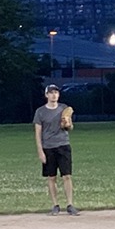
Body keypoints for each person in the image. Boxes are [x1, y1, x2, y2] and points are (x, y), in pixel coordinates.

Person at [33, 84, 78, 216]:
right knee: (51, 177)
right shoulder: (40, 112)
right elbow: (38, 133)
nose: (54, 95)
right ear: (46, 95)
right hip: (48, 147)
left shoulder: (64, 108)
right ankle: (55, 205)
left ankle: (70, 205)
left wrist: (68, 124)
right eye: (51, 93)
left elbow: (69, 128)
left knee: (67, 176)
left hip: (63, 145)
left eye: (56, 93)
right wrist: (40, 151)